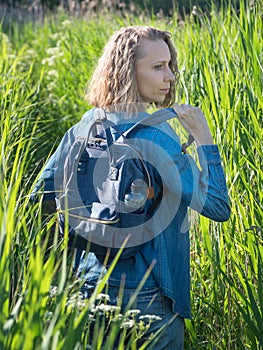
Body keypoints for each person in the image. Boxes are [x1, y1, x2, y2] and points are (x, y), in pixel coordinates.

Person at [33, 26, 230, 349]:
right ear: (127, 71)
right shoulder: (159, 139)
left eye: (169, 65)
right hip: (149, 294)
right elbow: (217, 207)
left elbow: (42, 194)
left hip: (88, 288)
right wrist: (205, 139)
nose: (170, 76)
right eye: (157, 67)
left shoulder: (85, 125)